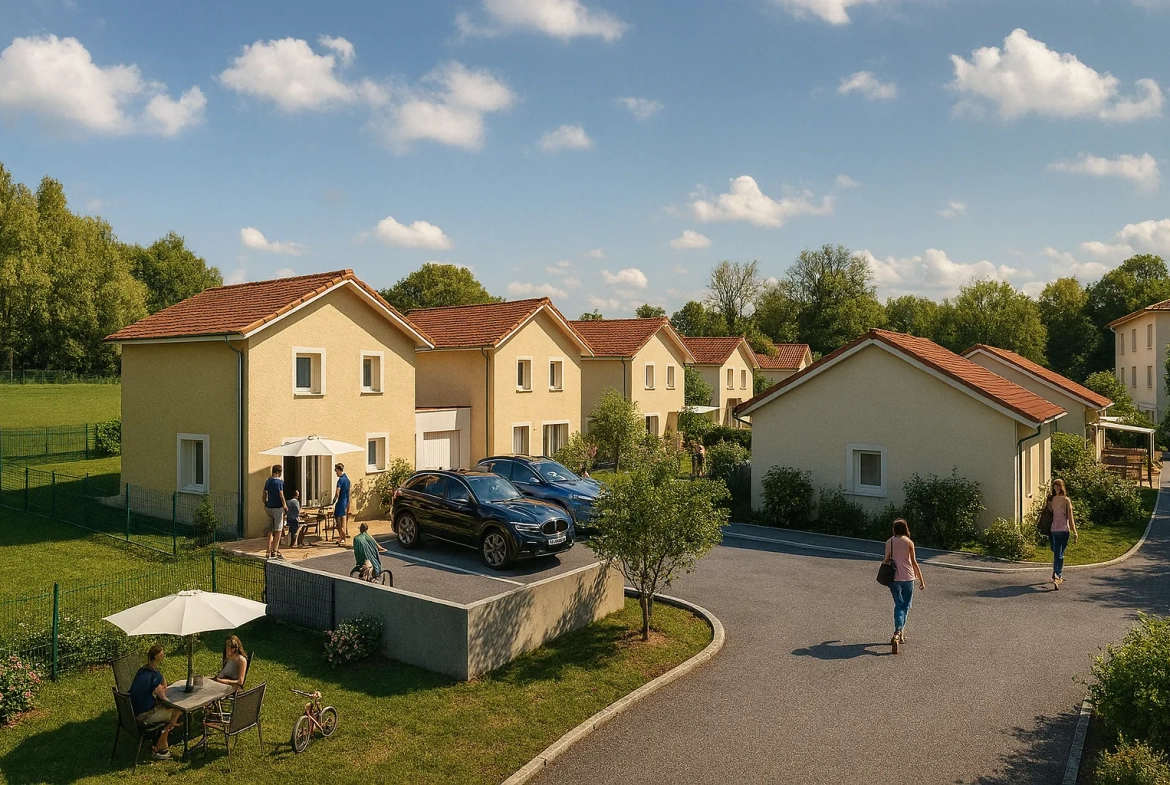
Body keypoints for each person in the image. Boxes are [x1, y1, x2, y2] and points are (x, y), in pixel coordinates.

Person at [128, 644, 182, 760]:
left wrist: (161, 677)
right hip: (144, 716)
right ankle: (160, 747)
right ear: (156, 656)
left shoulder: (142, 671)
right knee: (176, 712)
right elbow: (163, 696)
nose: (163, 655)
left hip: (132, 714)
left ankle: (163, 736)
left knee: (170, 713)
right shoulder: (154, 676)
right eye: (162, 653)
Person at [882, 519, 925, 655]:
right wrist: (921, 580)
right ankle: (899, 632)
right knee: (905, 605)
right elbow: (914, 562)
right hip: (908, 578)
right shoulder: (909, 542)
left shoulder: (890, 542)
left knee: (899, 605)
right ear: (905, 528)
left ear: (894, 529)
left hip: (894, 578)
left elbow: (887, 559)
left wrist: (882, 572)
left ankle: (898, 632)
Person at [1047, 478, 1079, 589]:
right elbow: (1048, 514)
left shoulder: (1066, 500)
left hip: (1064, 530)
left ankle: (1055, 573)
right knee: (1058, 553)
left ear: (1062, 487)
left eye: (1058, 486)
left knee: (1059, 553)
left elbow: (1070, 518)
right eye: (1055, 486)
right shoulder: (1051, 500)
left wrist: (1074, 531)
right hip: (1055, 530)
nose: (1057, 488)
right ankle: (1057, 576)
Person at [263, 465, 287, 560]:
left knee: (270, 530)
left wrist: (265, 503)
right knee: (278, 530)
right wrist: (285, 506)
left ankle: (268, 551)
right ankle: (275, 551)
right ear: (278, 473)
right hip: (277, 508)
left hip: (269, 508)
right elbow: (281, 495)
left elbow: (264, 494)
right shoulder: (279, 482)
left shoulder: (268, 481)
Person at [333, 463, 351, 547]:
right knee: (344, 520)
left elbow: (337, 492)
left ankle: (342, 536)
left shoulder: (340, 480)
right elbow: (348, 493)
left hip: (340, 502)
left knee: (338, 520)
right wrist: (348, 503)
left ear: (339, 470)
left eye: (336, 471)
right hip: (345, 501)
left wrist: (334, 500)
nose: (335, 472)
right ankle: (343, 537)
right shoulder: (347, 480)